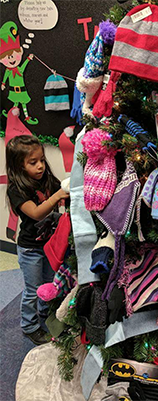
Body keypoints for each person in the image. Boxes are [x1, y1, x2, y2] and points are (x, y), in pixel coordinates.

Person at [6, 135, 69, 345]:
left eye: (42, 160)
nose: (41, 166)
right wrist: (57, 196)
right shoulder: (17, 189)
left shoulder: (46, 179)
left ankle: (45, 312)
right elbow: (36, 213)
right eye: (33, 163)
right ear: (19, 166)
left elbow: (64, 192)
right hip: (30, 249)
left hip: (49, 245)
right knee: (33, 289)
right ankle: (29, 326)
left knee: (50, 283)